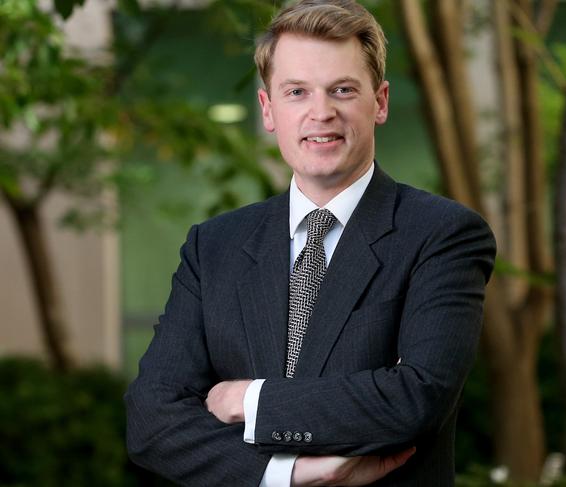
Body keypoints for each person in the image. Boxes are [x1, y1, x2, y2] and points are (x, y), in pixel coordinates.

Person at [125, 1, 496, 486]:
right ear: (268, 109)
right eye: (297, 92)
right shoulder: (212, 247)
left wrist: (249, 400)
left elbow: (416, 399)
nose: (321, 113)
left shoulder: (441, 235)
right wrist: (291, 473)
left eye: (342, 90)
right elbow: (151, 420)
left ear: (379, 101)